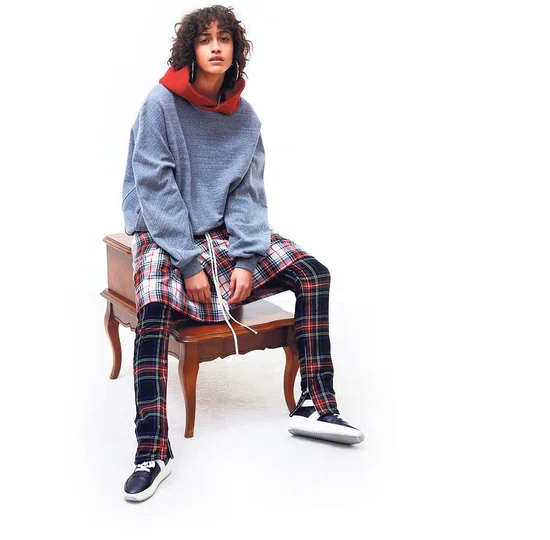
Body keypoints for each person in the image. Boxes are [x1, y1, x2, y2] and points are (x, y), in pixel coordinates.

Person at [119, 5, 364, 503]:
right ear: (190, 49)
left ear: (235, 50)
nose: (215, 47)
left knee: (313, 274)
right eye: (205, 39)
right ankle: (152, 449)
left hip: (225, 232)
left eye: (224, 39)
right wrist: (188, 262)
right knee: (154, 309)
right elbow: (154, 187)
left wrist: (249, 260)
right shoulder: (160, 104)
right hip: (164, 231)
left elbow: (247, 194)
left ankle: (316, 405)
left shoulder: (245, 117)